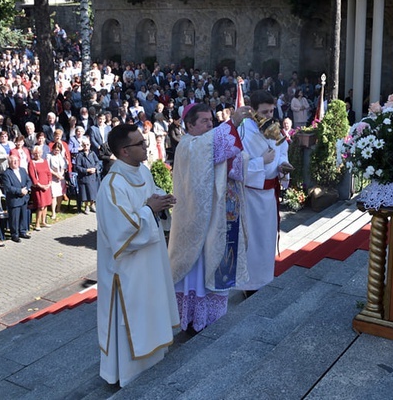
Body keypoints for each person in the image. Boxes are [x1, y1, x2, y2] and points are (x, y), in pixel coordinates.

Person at [95, 124, 179, 387]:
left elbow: (149, 200)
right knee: (132, 315)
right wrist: (149, 209)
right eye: (140, 144)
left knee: (152, 307)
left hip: (151, 258)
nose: (146, 146)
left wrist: (160, 202)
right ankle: (128, 373)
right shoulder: (112, 185)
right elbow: (120, 231)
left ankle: (155, 357)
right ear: (124, 151)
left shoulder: (142, 170)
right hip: (128, 267)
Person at [168, 103, 251, 333]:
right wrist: (232, 123)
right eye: (204, 121)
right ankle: (194, 319)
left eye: (211, 120)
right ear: (190, 125)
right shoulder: (188, 145)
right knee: (199, 268)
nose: (209, 124)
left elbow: (232, 159)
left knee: (216, 263)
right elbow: (211, 147)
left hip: (220, 217)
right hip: (198, 224)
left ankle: (211, 316)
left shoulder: (206, 143)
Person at [238, 91, 293, 292]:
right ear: (252, 111)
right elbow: (236, 164)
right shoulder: (243, 131)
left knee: (267, 238)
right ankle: (250, 285)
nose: (269, 115)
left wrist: (283, 165)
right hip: (252, 195)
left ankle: (265, 277)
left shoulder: (273, 128)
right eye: (264, 111)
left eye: (271, 110)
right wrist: (262, 161)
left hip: (269, 193)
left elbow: (282, 151)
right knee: (253, 240)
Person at [1, 154, 32, 243]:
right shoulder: (6, 173)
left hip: (24, 198)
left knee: (23, 216)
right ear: (9, 163)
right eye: (13, 161)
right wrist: (19, 191)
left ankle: (22, 231)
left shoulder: (22, 170)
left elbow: (28, 181)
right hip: (14, 199)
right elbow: (8, 187)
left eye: (16, 160)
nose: (15, 162)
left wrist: (26, 189)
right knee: (14, 218)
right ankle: (14, 234)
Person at [28, 145, 53, 230]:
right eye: (35, 153)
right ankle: (37, 224)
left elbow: (49, 173)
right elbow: (32, 177)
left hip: (47, 187)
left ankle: (43, 221)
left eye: (38, 153)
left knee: (46, 205)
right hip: (38, 188)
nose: (37, 155)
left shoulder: (45, 161)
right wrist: (41, 186)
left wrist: (49, 184)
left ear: (41, 153)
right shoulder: (31, 163)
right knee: (40, 206)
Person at [74, 136, 101, 213]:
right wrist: (87, 170)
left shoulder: (93, 154)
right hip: (84, 177)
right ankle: (86, 206)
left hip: (93, 177)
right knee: (85, 193)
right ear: (82, 146)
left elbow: (97, 162)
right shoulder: (79, 155)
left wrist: (95, 169)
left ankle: (92, 205)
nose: (86, 146)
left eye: (87, 144)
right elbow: (77, 167)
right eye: (84, 145)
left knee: (93, 192)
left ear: (90, 145)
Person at [47, 142, 67, 220]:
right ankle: (53, 212)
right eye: (55, 150)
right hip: (53, 177)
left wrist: (61, 174)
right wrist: (56, 174)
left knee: (60, 193)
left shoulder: (61, 156)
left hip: (61, 177)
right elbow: (48, 168)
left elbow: (64, 166)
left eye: (58, 150)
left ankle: (58, 208)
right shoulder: (49, 156)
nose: (56, 152)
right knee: (54, 195)